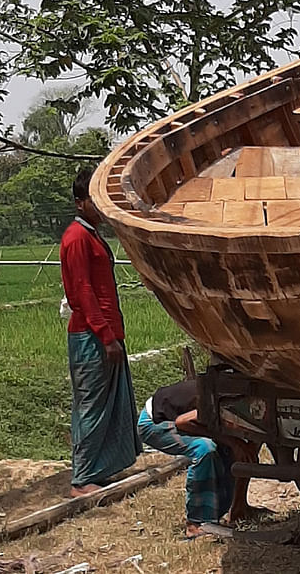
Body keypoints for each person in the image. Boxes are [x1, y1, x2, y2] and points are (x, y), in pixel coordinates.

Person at [61, 167, 142, 497]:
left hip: (103, 331)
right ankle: (82, 479)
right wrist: (105, 336)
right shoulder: (77, 238)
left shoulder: (91, 235)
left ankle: (96, 469)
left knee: (105, 404)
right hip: (92, 336)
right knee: (92, 405)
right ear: (81, 204)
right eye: (94, 201)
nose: (101, 207)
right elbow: (82, 290)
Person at [137, 378, 260, 539]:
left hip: (186, 419)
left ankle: (238, 509)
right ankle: (196, 523)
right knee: (205, 448)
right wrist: (231, 441)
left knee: (235, 450)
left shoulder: (248, 400)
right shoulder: (219, 397)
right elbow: (182, 422)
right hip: (155, 421)